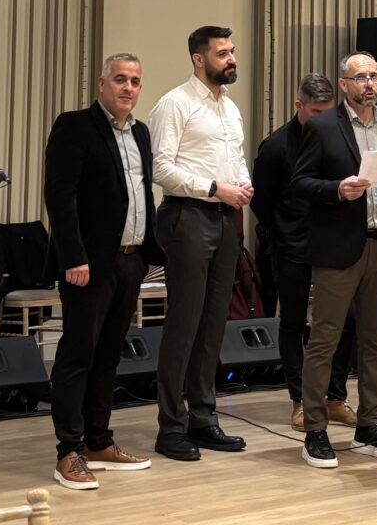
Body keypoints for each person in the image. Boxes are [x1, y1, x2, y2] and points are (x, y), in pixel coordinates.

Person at [45, 53, 165, 490]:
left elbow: (141, 195)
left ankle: (98, 441)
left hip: (131, 260)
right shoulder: (75, 126)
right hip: (88, 264)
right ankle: (68, 451)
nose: (128, 87)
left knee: (109, 355)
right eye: (119, 79)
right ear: (101, 84)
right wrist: (72, 257)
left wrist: (149, 253)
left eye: (134, 81)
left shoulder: (141, 133)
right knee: (78, 354)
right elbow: (60, 197)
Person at [292, 51, 377, 469]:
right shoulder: (323, 127)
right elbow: (300, 183)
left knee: (376, 339)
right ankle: (315, 429)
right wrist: (337, 190)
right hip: (339, 248)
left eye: (374, 76)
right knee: (325, 339)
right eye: (360, 77)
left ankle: (370, 425)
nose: (369, 84)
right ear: (343, 84)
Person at [149, 26, 253, 462]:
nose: (231, 59)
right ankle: (171, 427)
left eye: (232, 51)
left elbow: (237, 158)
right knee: (184, 324)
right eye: (222, 53)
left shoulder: (229, 107)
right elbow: (160, 168)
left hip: (226, 217)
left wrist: (242, 183)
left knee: (213, 324)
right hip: (188, 216)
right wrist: (214, 188)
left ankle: (203, 418)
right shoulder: (175, 103)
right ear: (198, 58)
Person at [251, 72, 356, 431]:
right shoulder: (276, 146)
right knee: (293, 323)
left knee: (343, 321)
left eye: (328, 111)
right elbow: (262, 203)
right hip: (292, 246)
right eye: (316, 112)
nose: (323, 119)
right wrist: (285, 232)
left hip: (334, 243)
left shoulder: (339, 136)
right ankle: (299, 400)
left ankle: (335, 398)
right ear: (299, 106)